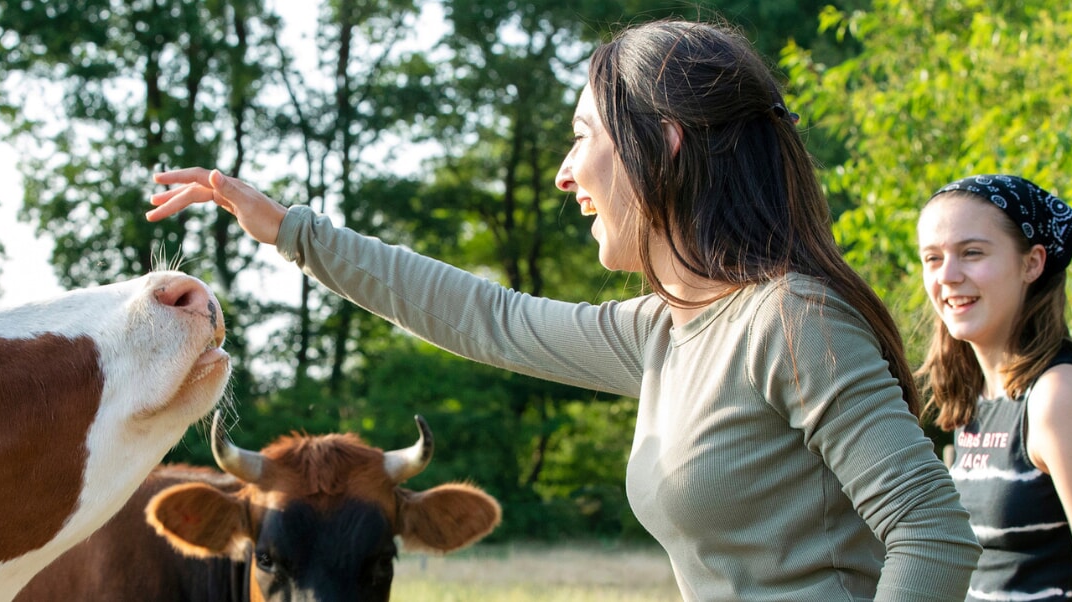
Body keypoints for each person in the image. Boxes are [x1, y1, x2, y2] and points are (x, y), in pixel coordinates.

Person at [150, 19, 979, 600]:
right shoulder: (666, 332)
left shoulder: (792, 321)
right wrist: (289, 231)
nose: (564, 173)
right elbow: (485, 316)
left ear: (665, 142)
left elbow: (931, 529)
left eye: (582, 137)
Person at [917, 175, 1072, 601]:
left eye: (972, 253)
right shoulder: (981, 399)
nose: (948, 275)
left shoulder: (1059, 397)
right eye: (932, 258)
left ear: (1032, 263)